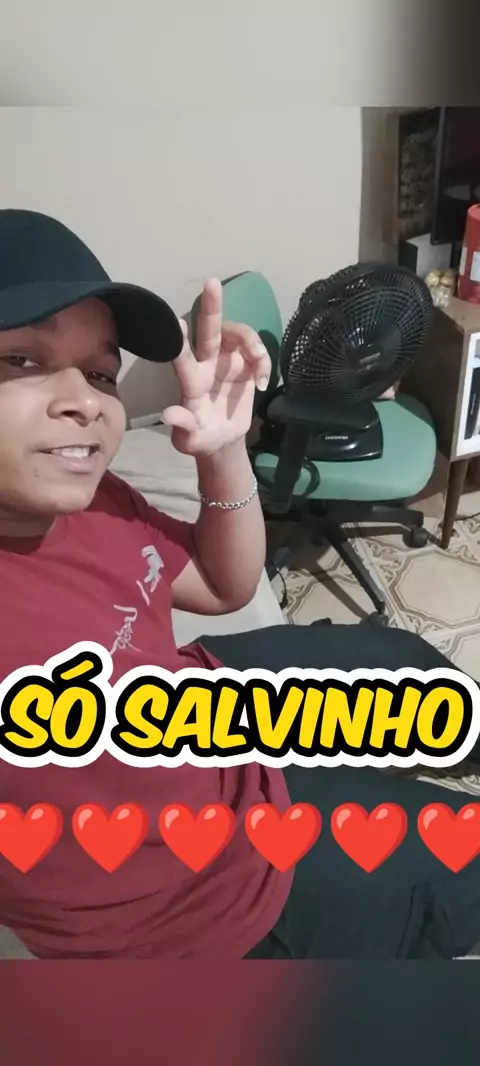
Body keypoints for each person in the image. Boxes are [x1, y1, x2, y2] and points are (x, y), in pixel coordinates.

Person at [0, 208, 479, 962]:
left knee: (405, 667)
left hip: (206, 712)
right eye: (23, 359)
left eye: (99, 373)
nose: (85, 401)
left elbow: (225, 586)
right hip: (220, 889)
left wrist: (223, 450)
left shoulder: (95, 500)